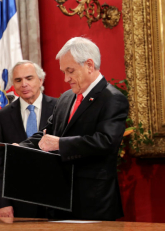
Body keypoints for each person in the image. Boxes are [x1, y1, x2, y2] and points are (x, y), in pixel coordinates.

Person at [19, 37, 129, 220]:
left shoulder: (112, 98)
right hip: (59, 200)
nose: (66, 78)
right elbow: (47, 132)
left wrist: (61, 144)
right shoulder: (66, 98)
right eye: (64, 72)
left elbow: (106, 142)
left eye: (70, 71)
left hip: (93, 203)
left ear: (89, 65)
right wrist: (20, 147)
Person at [0, 61, 57, 218]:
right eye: (18, 80)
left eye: (29, 78)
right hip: (18, 201)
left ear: (40, 80)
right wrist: (3, 202)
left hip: (55, 198)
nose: (24, 84)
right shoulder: (2, 116)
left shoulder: (59, 108)